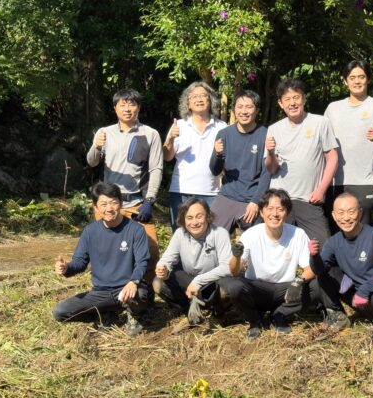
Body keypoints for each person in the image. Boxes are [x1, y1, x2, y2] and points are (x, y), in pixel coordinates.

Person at [220, 189, 321, 338]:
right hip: (257, 287)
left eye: (280, 209)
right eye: (270, 209)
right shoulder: (251, 234)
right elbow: (235, 271)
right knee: (233, 286)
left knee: (316, 286)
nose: (275, 214)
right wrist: (236, 256)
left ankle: (280, 314)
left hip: (285, 290)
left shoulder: (297, 234)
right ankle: (255, 320)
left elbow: (310, 269)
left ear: (287, 213)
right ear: (261, 212)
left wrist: (298, 281)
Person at [53, 182, 150, 336]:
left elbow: (142, 262)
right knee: (60, 312)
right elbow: (80, 262)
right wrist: (66, 268)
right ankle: (106, 313)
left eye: (113, 203)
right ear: (96, 208)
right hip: (101, 292)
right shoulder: (90, 232)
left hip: (128, 288)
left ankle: (133, 316)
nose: (109, 208)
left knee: (143, 294)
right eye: (103, 204)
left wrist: (134, 281)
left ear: (121, 203)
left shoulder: (135, 229)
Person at [86, 88, 163, 283]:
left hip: (137, 202)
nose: (127, 108)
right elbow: (92, 162)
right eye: (123, 104)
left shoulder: (150, 134)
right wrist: (96, 145)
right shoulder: (105, 132)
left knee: (150, 250)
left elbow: (156, 169)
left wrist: (150, 200)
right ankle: (107, 290)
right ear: (115, 108)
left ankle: (144, 293)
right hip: (109, 203)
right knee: (105, 249)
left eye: (132, 104)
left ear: (138, 107)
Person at [311, 193, 373, 337]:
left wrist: (364, 291)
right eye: (341, 213)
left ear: (360, 212)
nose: (346, 218)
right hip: (354, 294)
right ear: (334, 215)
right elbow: (318, 269)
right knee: (325, 275)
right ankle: (338, 315)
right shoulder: (333, 242)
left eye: (351, 212)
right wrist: (314, 257)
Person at [265, 78, 338, 243]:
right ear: (280, 103)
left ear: (304, 98)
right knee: (277, 246)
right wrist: (270, 152)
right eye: (287, 99)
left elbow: (332, 158)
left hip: (309, 198)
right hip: (280, 200)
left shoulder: (321, 123)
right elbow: (271, 169)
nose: (292, 103)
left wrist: (321, 190)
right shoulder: (274, 129)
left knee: (322, 247)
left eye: (296, 97)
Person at [324, 61, 373, 226]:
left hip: (365, 181)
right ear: (345, 81)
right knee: (338, 232)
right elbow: (323, 144)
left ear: (368, 79)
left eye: (361, 77)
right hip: (336, 181)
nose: (357, 81)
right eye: (352, 77)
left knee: (363, 231)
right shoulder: (333, 108)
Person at [153, 198, 232, 332]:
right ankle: (189, 310)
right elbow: (167, 257)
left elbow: (227, 267)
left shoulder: (219, 233)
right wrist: (162, 267)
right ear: (183, 220)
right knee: (158, 283)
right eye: (189, 218)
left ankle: (217, 314)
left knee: (226, 290)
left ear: (208, 216)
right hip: (189, 283)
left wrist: (199, 281)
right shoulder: (180, 234)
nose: (194, 222)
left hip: (213, 282)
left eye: (199, 216)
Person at [163, 81, 227, 229]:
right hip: (181, 191)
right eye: (194, 97)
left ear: (211, 101)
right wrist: (171, 138)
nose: (199, 99)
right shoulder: (179, 125)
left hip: (212, 192)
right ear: (188, 103)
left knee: (210, 238)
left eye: (204, 96)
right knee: (180, 235)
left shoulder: (222, 127)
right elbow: (167, 157)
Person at [209, 90, 271, 233]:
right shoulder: (224, 134)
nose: (244, 111)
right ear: (234, 109)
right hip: (227, 196)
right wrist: (218, 155)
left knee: (253, 246)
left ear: (257, 110)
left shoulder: (265, 134)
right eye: (240, 106)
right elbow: (214, 170)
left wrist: (256, 201)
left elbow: (266, 173)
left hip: (252, 199)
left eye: (249, 107)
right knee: (210, 238)